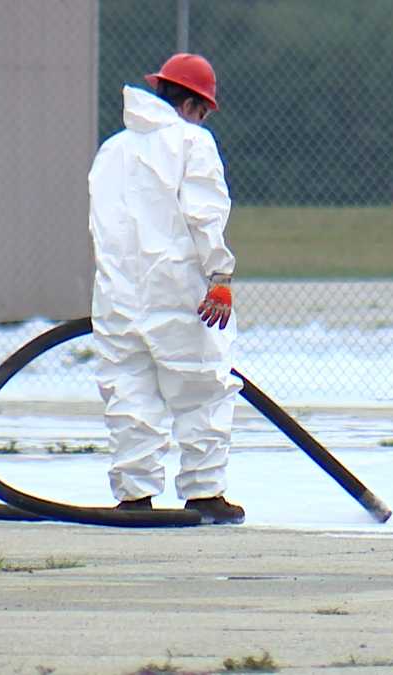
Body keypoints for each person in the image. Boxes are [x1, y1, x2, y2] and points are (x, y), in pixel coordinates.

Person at [87, 53, 244, 524]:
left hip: (117, 295)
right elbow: (204, 213)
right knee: (202, 390)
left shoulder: (112, 150)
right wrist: (219, 275)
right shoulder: (193, 142)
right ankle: (204, 492)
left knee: (129, 391)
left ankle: (134, 497)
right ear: (196, 104)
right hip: (179, 293)